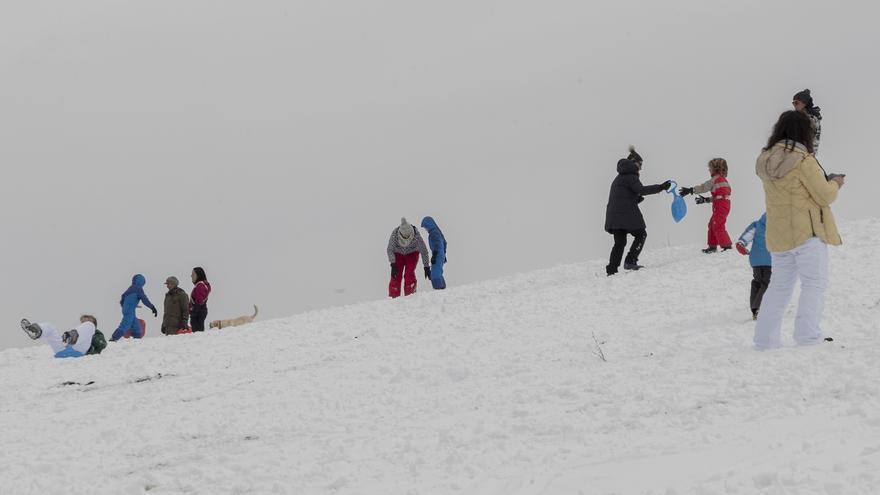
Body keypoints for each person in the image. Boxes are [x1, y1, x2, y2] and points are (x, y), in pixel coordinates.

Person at [753, 110, 844, 349]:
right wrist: (835, 182)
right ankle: (807, 336)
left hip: (779, 235)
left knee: (779, 287)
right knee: (814, 283)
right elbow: (824, 195)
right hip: (807, 234)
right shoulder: (803, 160)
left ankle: (765, 340)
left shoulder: (764, 160)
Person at [604, 146, 672, 275]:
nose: (641, 167)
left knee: (619, 242)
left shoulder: (618, 178)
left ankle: (611, 269)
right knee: (641, 234)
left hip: (614, 216)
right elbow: (641, 190)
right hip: (625, 215)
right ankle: (631, 260)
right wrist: (661, 187)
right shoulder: (631, 176)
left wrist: (636, 199)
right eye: (640, 164)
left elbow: (623, 197)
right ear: (633, 163)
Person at [679, 158, 733, 253]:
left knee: (717, 225)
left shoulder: (715, 179)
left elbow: (704, 187)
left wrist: (691, 190)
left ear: (716, 168)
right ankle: (712, 246)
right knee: (712, 224)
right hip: (723, 205)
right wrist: (706, 200)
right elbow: (720, 196)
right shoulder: (723, 180)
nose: (709, 170)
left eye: (710, 168)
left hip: (721, 206)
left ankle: (727, 246)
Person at [736, 213, 772, 320]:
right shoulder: (778, 227)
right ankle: (759, 308)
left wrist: (741, 244)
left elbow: (744, 239)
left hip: (755, 260)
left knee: (757, 282)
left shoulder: (757, 225)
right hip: (769, 260)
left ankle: (754, 308)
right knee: (766, 283)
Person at [21, 315, 104, 358]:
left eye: (86, 322)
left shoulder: (95, 332)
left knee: (89, 326)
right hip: (63, 351)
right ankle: (36, 331)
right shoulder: (80, 330)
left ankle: (72, 337)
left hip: (79, 352)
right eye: (83, 322)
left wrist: (92, 347)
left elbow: (101, 344)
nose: (83, 323)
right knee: (50, 327)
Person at [387, 218, 430, 297]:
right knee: (396, 274)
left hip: (412, 254)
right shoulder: (395, 234)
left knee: (409, 274)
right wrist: (393, 263)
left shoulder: (417, 236)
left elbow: (424, 251)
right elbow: (390, 249)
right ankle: (393, 296)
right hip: (398, 254)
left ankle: (410, 295)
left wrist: (426, 266)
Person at [110, 274, 157, 341]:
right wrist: (152, 307)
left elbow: (123, 297)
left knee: (136, 326)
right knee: (125, 324)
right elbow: (144, 299)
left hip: (126, 309)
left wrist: (127, 305)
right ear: (142, 282)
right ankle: (114, 338)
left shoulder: (130, 288)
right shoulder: (138, 289)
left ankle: (137, 339)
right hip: (130, 310)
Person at [420, 216, 448, 290]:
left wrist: (435, 255)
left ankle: (438, 290)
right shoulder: (437, 231)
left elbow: (437, 243)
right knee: (438, 271)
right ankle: (442, 289)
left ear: (429, 224)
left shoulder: (434, 233)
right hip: (440, 253)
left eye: (425, 227)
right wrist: (443, 253)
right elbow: (444, 243)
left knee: (435, 274)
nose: (425, 229)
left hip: (437, 253)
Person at [792, 89, 822, 154]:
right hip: (798, 152)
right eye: (793, 103)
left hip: (803, 154)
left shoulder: (811, 119)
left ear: (804, 103)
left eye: (796, 103)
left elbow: (810, 140)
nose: (794, 105)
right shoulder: (797, 117)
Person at [190, 267, 211, 332]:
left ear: (198, 275)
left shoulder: (200, 286)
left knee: (197, 333)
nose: (191, 276)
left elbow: (199, 300)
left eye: (193, 274)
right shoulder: (201, 285)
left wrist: (194, 311)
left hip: (198, 312)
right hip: (200, 311)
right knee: (199, 332)